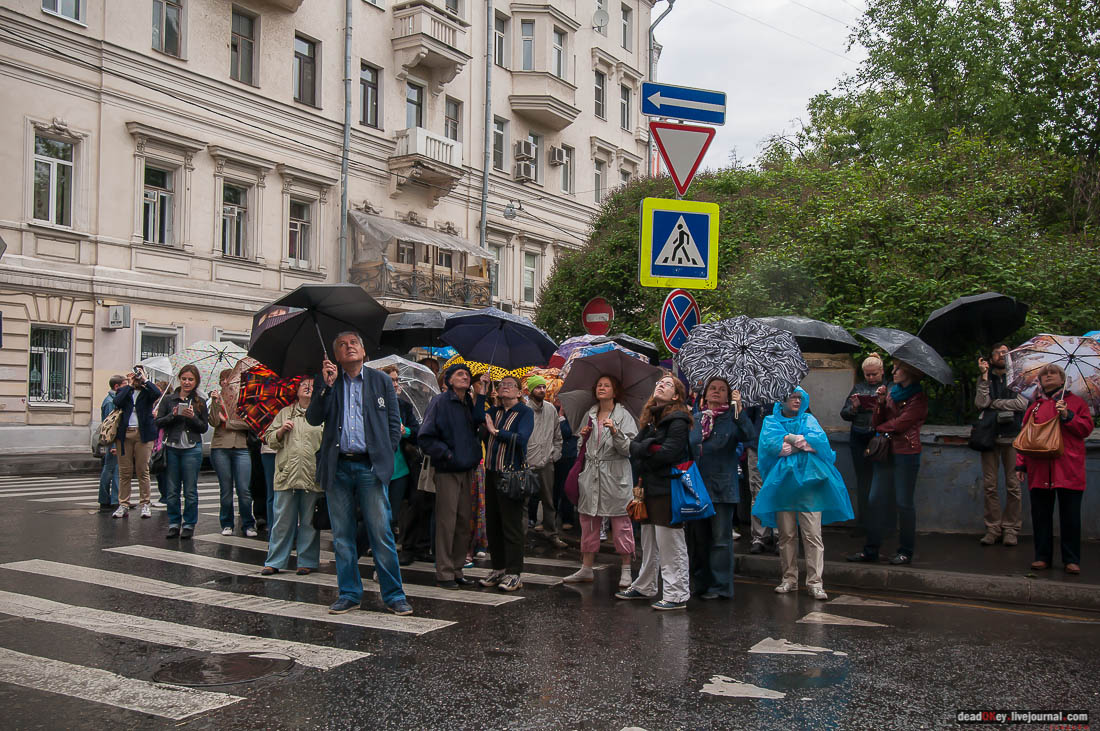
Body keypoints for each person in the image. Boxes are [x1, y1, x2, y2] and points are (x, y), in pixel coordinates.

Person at [307, 331, 412, 616]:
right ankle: (349, 593)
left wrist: (385, 453)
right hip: (338, 466)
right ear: (336, 356)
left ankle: (394, 595)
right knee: (342, 535)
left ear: (363, 351)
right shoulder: (329, 382)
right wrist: (326, 388)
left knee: (381, 533)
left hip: (370, 466)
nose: (348, 347)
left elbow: (393, 421)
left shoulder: (379, 381)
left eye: (353, 343)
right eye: (341, 345)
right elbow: (314, 418)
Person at [753, 387, 853, 600]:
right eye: (793, 397)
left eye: (800, 397)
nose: (797, 401)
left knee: (812, 535)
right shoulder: (771, 421)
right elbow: (774, 448)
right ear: (782, 401)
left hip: (809, 484)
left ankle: (815, 582)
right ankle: (789, 578)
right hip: (783, 484)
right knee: (786, 534)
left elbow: (818, 442)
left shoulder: (808, 419)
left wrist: (788, 438)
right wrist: (799, 441)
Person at [616, 373, 693, 610]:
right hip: (649, 487)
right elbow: (633, 447)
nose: (661, 385)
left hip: (667, 487)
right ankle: (646, 584)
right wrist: (649, 447)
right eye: (659, 383)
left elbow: (669, 454)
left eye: (668, 384)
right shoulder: (652, 421)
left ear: (676, 395)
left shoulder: (678, 420)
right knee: (649, 540)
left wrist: (645, 450)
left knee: (670, 540)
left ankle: (677, 593)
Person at [848, 362, 929, 565]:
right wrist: (882, 402)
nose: (893, 372)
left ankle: (905, 551)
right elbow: (875, 422)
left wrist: (882, 427)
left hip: (906, 453)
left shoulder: (918, 398)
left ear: (910, 372)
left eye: (898, 369)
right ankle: (870, 550)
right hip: (885, 452)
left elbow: (901, 424)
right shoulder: (893, 393)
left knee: (904, 503)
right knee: (875, 500)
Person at [414, 362, 485, 588]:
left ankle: (457, 568)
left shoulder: (467, 403)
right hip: (448, 470)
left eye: (467, 375)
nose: (465, 377)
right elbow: (425, 436)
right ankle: (444, 572)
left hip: (468, 469)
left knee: (464, 521)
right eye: (460, 374)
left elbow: (478, 423)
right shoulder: (440, 402)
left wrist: (481, 395)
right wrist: (447, 455)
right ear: (449, 379)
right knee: (447, 522)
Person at [564, 374, 638, 588]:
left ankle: (626, 569)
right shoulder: (590, 413)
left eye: (607, 385)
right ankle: (586, 568)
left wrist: (615, 431)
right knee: (588, 521)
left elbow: (629, 449)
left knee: (621, 522)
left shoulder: (624, 415)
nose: (601, 388)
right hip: (591, 474)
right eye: (599, 385)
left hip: (615, 474)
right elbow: (582, 451)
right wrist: (583, 437)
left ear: (616, 391)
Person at [1017, 364, 1092, 575]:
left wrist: (1068, 416)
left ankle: (1071, 559)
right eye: (1044, 374)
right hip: (1039, 469)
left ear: (1062, 379)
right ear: (1039, 381)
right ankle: (1042, 557)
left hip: (1068, 468)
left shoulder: (1076, 403)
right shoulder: (1035, 406)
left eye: (1053, 373)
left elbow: (1085, 429)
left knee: (1070, 517)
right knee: (1041, 516)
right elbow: (1025, 436)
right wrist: (1021, 464)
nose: (1048, 376)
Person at [687, 377, 756, 600]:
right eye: (713, 388)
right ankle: (699, 582)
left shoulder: (732, 419)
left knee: (719, 539)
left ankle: (720, 587)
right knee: (698, 539)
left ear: (728, 395)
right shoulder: (696, 419)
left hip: (721, 488)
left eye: (722, 390)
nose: (716, 392)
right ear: (705, 394)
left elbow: (749, 436)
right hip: (697, 487)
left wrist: (739, 410)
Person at [262, 378, 324, 575]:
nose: (308, 387)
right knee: (282, 522)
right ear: (296, 390)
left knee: (309, 522)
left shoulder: (322, 414)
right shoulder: (285, 413)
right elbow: (270, 440)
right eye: (303, 384)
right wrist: (280, 431)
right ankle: (275, 561)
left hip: (311, 475)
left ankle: (307, 561)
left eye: (312, 385)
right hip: (286, 474)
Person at [479, 374, 534, 592]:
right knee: (493, 523)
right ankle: (498, 568)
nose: (505, 388)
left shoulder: (525, 412)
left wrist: (496, 432)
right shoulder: (494, 411)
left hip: (512, 474)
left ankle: (514, 573)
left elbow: (521, 439)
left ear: (519, 392)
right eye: (502, 385)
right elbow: (477, 417)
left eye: (510, 385)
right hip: (491, 472)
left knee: (511, 525)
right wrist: (483, 388)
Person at [975, 343, 1028, 546]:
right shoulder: (985, 379)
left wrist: (995, 403)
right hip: (989, 437)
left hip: (1013, 436)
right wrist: (985, 378)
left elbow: (1022, 404)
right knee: (990, 485)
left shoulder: (1018, 378)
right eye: (997, 352)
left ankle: (1011, 529)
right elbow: (981, 403)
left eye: (1005, 352)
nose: (1001, 354)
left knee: (1013, 485)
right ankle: (993, 528)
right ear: (990, 357)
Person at [154, 364, 209, 539]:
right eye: (184, 379)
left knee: (190, 490)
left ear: (196, 382)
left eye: (190, 379)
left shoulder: (200, 401)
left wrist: (192, 417)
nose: (187, 382)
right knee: (172, 489)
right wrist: (174, 415)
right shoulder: (169, 399)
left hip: (192, 449)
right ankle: (174, 523)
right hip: (172, 447)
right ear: (179, 379)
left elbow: (203, 427)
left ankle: (189, 524)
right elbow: (158, 422)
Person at [840, 353, 885, 533]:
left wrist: (881, 404)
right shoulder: (858, 387)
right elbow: (844, 414)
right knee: (863, 481)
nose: (871, 378)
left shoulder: (888, 388)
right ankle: (863, 522)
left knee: (880, 482)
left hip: (879, 439)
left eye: (874, 374)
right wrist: (855, 407)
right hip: (859, 437)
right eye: (868, 375)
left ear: (882, 371)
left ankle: (879, 523)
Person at [209, 369, 257, 538]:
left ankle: (248, 523)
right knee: (226, 489)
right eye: (223, 380)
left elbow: (249, 424)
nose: (226, 383)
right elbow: (214, 421)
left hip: (241, 447)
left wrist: (228, 423)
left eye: (229, 379)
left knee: (244, 489)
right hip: (220, 447)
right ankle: (226, 523)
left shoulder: (243, 400)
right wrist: (215, 403)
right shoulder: (217, 399)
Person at [111, 368, 162, 519]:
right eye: (135, 375)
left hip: (143, 434)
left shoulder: (147, 392)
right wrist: (130, 385)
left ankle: (145, 503)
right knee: (125, 471)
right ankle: (123, 504)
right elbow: (117, 401)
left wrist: (145, 380)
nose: (137, 379)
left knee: (142, 470)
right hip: (124, 434)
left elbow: (157, 394)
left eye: (139, 375)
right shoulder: (126, 392)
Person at [379, 365, 421, 540]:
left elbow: (417, 432)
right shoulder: (372, 404)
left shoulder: (403, 406)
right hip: (378, 466)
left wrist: (406, 432)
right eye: (391, 380)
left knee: (392, 512)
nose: (395, 384)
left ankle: (386, 545)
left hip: (400, 468)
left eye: (397, 380)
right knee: (377, 511)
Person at [524, 375, 566, 548]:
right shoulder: (523, 409)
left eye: (543, 387)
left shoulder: (551, 409)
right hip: (527, 463)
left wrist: (554, 455)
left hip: (547, 462)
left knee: (549, 500)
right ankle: (521, 535)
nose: (542, 390)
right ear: (530, 390)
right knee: (524, 501)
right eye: (538, 387)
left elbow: (558, 436)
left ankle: (552, 533)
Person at [743, 404, 774, 554]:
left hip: (782, 448)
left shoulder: (791, 392)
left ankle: (782, 536)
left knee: (780, 492)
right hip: (757, 447)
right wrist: (749, 443)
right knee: (758, 492)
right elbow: (746, 419)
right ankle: (760, 537)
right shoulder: (756, 393)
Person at [97, 374, 124, 511]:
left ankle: (110, 499)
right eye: (124, 385)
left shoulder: (113, 400)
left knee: (110, 469)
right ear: (117, 386)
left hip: (113, 441)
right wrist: (114, 445)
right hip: (113, 441)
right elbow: (110, 426)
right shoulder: (110, 402)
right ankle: (112, 500)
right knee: (112, 470)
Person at [553, 397, 578, 531]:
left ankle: (567, 518)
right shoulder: (552, 412)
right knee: (554, 488)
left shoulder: (572, 416)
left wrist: (561, 416)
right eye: (557, 398)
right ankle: (552, 517)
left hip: (568, 455)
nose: (558, 401)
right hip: (554, 455)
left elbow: (566, 432)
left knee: (566, 487)